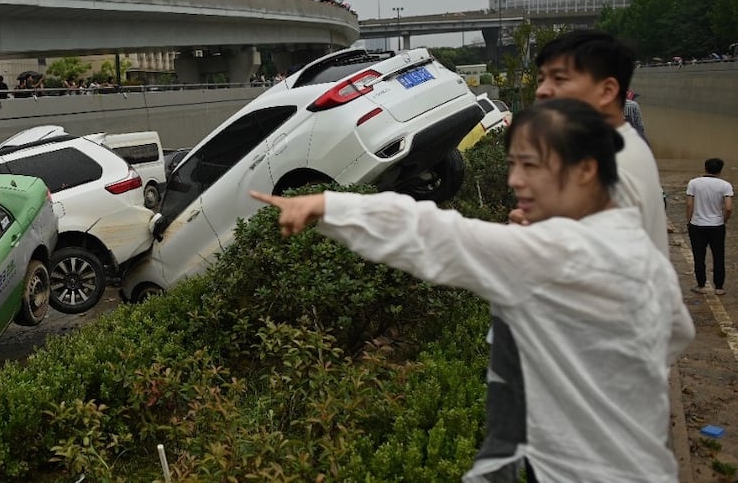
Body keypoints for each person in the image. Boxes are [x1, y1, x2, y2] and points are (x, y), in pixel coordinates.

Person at [252, 98, 694, 482]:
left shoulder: (550, 254)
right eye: (513, 165)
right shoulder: (634, 244)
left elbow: (436, 235)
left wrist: (325, 204)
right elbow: (678, 332)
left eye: (532, 166)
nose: (516, 181)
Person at [531, 30, 669, 257]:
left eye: (559, 79)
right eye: (541, 80)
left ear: (607, 91)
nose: (542, 91)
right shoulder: (619, 147)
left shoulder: (608, 170)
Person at [686, 157, 732, 294]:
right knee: (719, 255)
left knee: (698, 256)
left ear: (705, 168)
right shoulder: (725, 185)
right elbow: (728, 208)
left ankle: (701, 285)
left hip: (697, 224)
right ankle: (719, 287)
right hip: (717, 225)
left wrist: (689, 220)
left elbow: (689, 204)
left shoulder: (693, 183)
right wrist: (724, 220)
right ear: (720, 170)